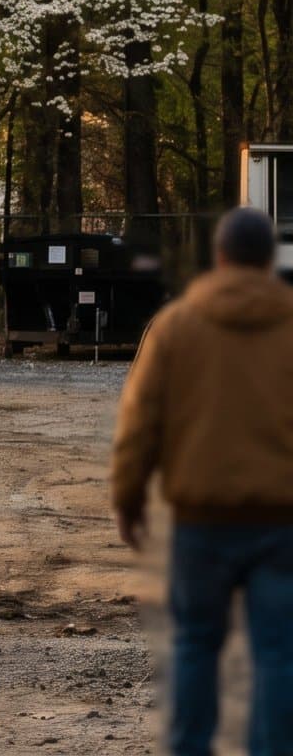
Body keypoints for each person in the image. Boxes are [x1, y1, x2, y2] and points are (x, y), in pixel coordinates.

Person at [113, 206, 293, 756]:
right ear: (269, 260)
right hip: (281, 524)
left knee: (194, 645)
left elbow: (140, 421)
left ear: (218, 258)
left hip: (201, 522)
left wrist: (128, 497)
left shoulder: (175, 327)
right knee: (280, 653)